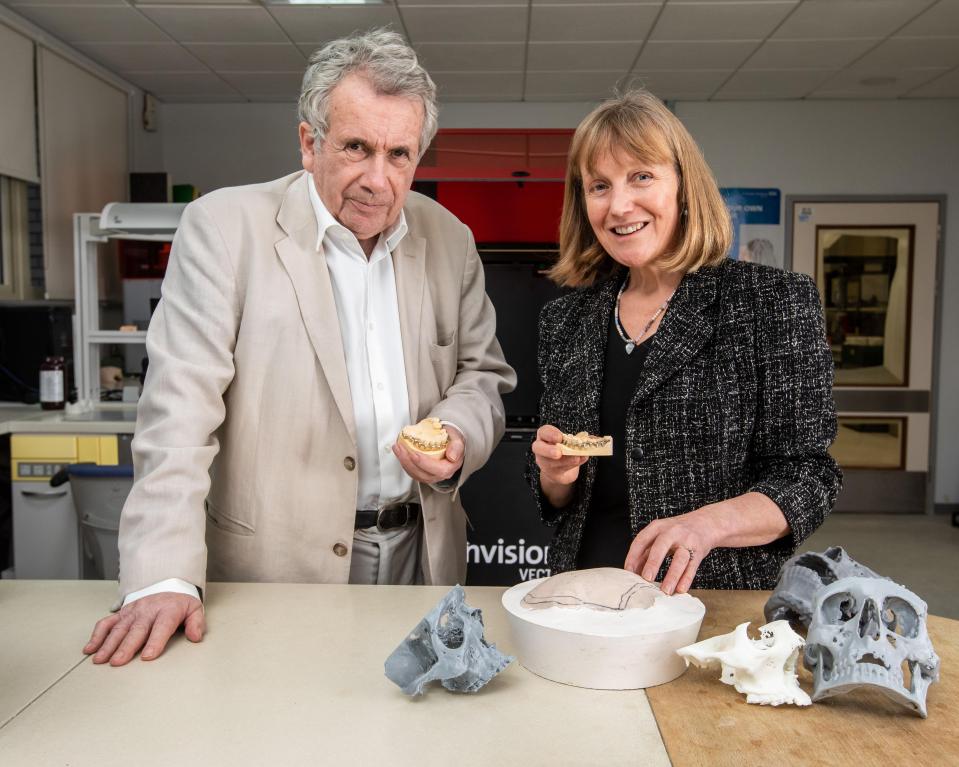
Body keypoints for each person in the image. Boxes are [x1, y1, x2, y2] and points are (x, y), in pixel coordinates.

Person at [84, 28, 515, 666]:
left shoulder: (449, 239)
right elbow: (179, 412)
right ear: (309, 142)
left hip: (419, 557)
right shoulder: (225, 229)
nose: (379, 179)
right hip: (274, 571)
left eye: (400, 154)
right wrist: (163, 576)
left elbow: (483, 374)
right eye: (357, 147)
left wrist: (456, 431)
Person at [528, 90, 841, 595]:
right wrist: (554, 474)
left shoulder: (770, 301)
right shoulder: (565, 320)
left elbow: (808, 478)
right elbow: (559, 499)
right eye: (599, 185)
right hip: (583, 594)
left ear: (683, 185)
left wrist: (706, 526)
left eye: (641, 176)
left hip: (712, 601)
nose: (619, 204)